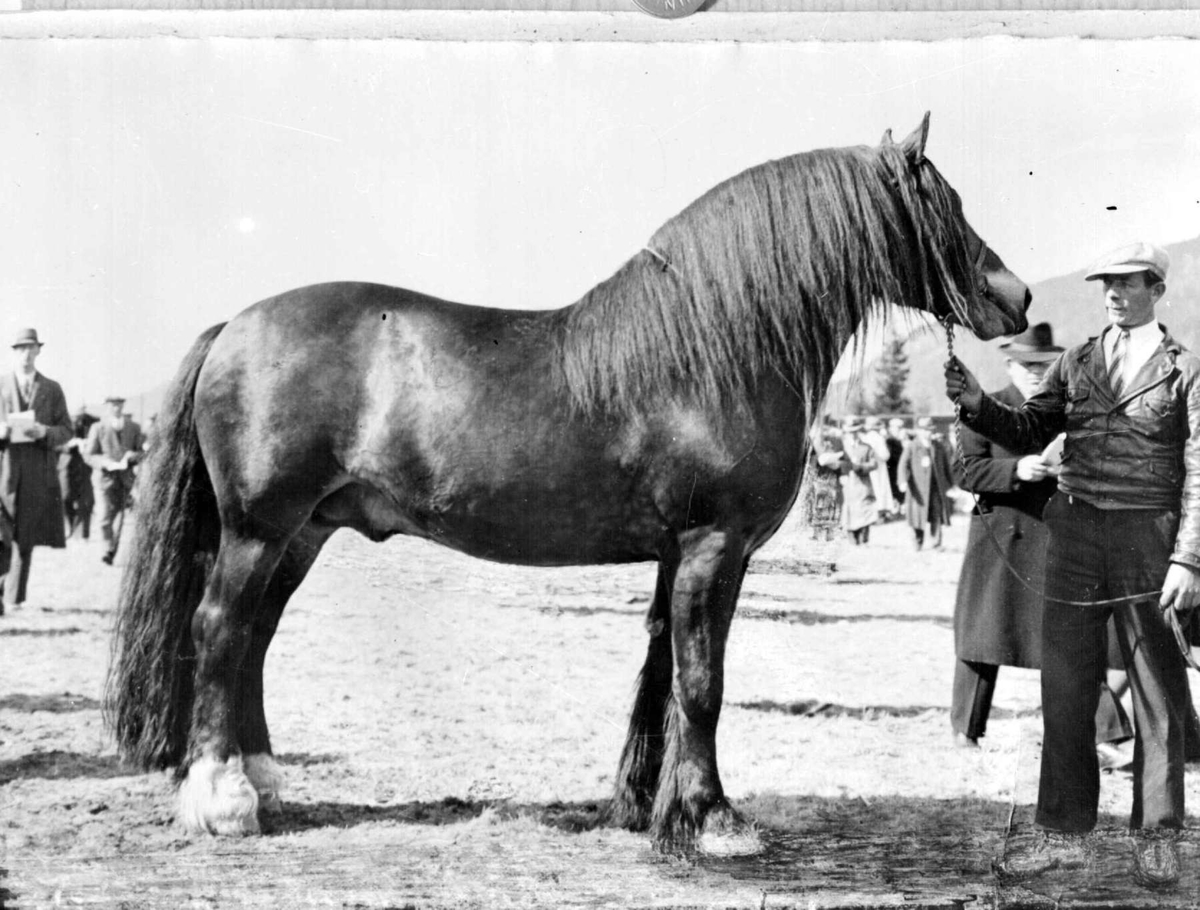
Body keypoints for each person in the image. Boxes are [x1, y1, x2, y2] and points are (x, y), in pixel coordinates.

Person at [945, 241, 1200, 887]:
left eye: (1126, 283)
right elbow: (1031, 428)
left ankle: (1159, 837)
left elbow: (1199, 473)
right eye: (1105, 284)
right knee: (1066, 689)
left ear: (1155, 289)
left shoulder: (1186, 372)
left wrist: (1189, 559)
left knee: (1158, 694)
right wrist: (977, 402)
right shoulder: (1079, 360)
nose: (1113, 294)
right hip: (1077, 537)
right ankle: (1063, 834)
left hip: (1150, 536)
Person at [948, 323, 1139, 764]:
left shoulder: (1072, 408)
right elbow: (965, 470)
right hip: (1001, 540)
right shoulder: (981, 408)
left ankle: (1107, 735)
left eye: (1044, 365)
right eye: (1026, 365)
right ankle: (965, 728)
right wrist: (1018, 470)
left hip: (1058, 538)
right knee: (982, 638)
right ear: (1009, 365)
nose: (1036, 373)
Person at [0, 328, 73, 613]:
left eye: (31, 349)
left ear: (39, 351)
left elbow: (67, 430)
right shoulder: (2, 385)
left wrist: (44, 431)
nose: (26, 355)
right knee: (2, 532)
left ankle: (13, 598)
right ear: (14, 352)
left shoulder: (52, 389)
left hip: (36, 473)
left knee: (25, 536)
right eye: (20, 349)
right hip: (4, 468)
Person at [85, 395, 145, 566]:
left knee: (120, 514)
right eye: (113, 405)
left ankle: (111, 550)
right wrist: (106, 463)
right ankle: (106, 547)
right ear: (107, 407)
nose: (116, 408)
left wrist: (133, 456)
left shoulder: (133, 427)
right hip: (104, 478)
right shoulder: (98, 427)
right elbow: (89, 454)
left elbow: (142, 451)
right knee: (104, 515)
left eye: (119, 404)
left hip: (125, 478)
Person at [897, 416, 953, 550]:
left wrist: (952, 484)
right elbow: (903, 465)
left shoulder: (938, 446)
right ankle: (918, 542)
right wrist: (902, 481)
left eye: (930, 430)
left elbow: (946, 466)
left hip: (936, 488)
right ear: (919, 431)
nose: (928, 433)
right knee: (918, 516)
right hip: (918, 489)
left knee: (937, 515)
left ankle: (937, 542)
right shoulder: (912, 446)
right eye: (925, 430)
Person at [58, 406, 98, 540]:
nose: (78, 421)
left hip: (85, 465)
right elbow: (55, 444)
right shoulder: (61, 424)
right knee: (65, 497)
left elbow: (98, 441)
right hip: (66, 466)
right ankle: (70, 526)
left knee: (86, 500)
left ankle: (82, 531)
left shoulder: (94, 423)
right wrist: (69, 445)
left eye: (80, 418)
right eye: (75, 418)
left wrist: (87, 443)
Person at [838, 416, 879, 545]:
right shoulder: (842, 447)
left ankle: (864, 538)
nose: (853, 434)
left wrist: (861, 467)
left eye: (855, 431)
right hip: (848, 483)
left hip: (863, 483)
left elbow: (874, 463)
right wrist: (842, 473)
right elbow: (837, 463)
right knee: (849, 510)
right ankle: (852, 538)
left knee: (865, 508)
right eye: (850, 432)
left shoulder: (866, 447)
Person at [885, 417, 908, 509]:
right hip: (892, 470)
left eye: (901, 428)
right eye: (898, 428)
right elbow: (894, 457)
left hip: (898, 470)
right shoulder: (889, 441)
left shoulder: (901, 440)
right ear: (891, 428)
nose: (900, 430)